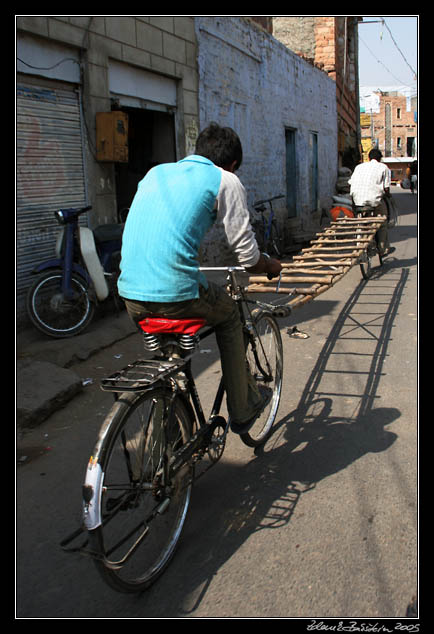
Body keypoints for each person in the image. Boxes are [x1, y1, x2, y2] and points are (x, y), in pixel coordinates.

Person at [118, 122, 282, 434]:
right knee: (230, 315)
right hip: (177, 294)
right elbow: (247, 257)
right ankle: (244, 408)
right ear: (233, 163)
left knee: (173, 355)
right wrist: (270, 265)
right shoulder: (226, 180)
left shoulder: (156, 173)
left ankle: (173, 427)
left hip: (129, 294)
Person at [348, 148, 394, 256]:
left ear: (368, 158)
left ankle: (361, 242)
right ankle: (382, 249)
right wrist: (388, 196)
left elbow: (350, 182)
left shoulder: (359, 167)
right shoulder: (383, 167)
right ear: (380, 159)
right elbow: (386, 188)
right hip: (374, 200)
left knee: (362, 221)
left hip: (358, 200)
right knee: (382, 222)